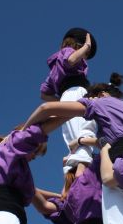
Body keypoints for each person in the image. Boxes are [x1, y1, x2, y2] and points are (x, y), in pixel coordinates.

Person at [23, 73, 123, 224]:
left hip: (120, 167)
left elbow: (46, 108)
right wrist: (83, 142)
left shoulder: (100, 104)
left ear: (101, 94)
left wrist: (21, 135)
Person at [39, 27, 98, 170]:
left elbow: (44, 93)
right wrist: (87, 45)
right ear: (78, 44)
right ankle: (84, 172)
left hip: (67, 97)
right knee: (84, 133)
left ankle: (75, 170)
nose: (85, 56)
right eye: (87, 54)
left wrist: (62, 104)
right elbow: (71, 60)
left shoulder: (55, 69)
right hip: (77, 93)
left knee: (74, 138)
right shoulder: (68, 52)